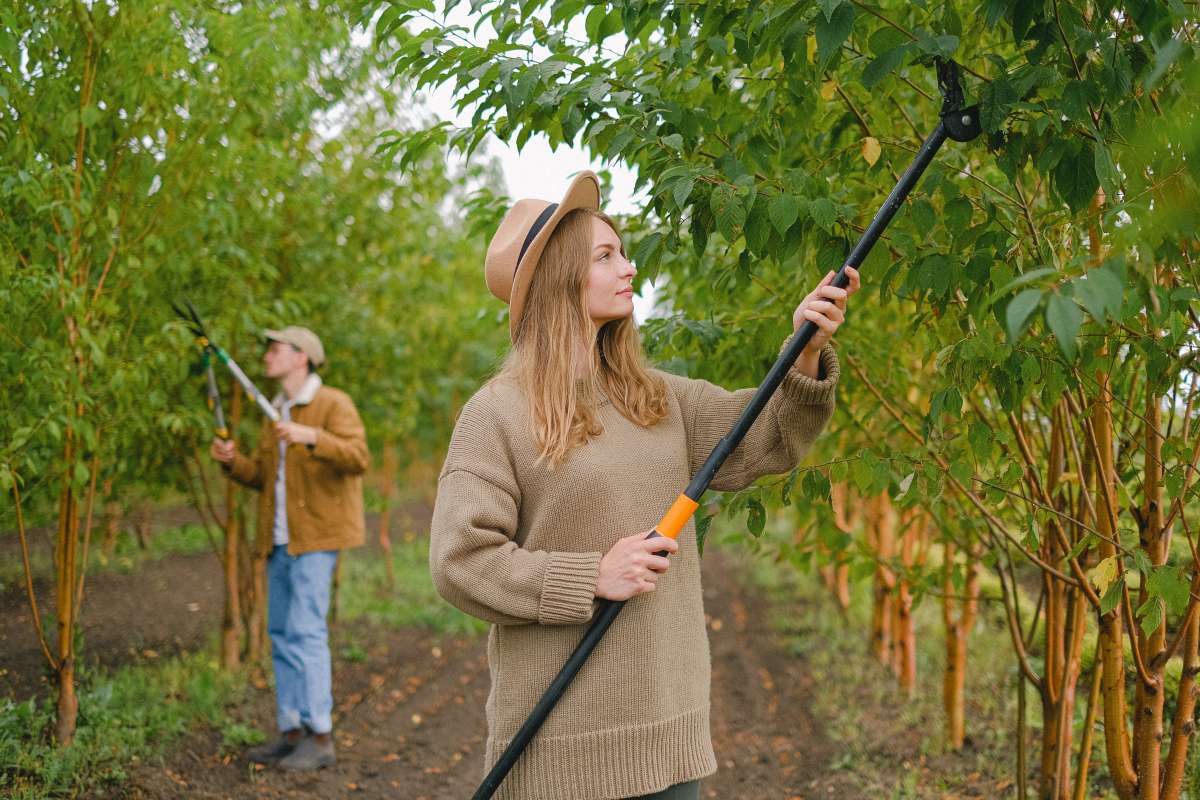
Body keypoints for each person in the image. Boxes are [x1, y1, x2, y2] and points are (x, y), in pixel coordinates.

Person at [429, 171, 859, 800]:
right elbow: (460, 561)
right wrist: (590, 575)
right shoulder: (498, 414)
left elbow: (764, 435)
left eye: (622, 251)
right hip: (561, 740)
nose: (629, 267)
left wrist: (803, 351)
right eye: (605, 256)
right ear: (559, 279)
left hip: (670, 730)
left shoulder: (657, 398)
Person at [211, 325, 369, 771]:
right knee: (280, 633)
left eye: (275, 350)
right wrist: (231, 463)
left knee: (307, 631)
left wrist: (311, 437)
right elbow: (263, 476)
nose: (266, 356)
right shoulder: (276, 410)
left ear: (302, 357)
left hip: (316, 539)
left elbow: (359, 456)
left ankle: (321, 737)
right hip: (279, 540)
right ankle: (291, 731)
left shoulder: (331, 403)